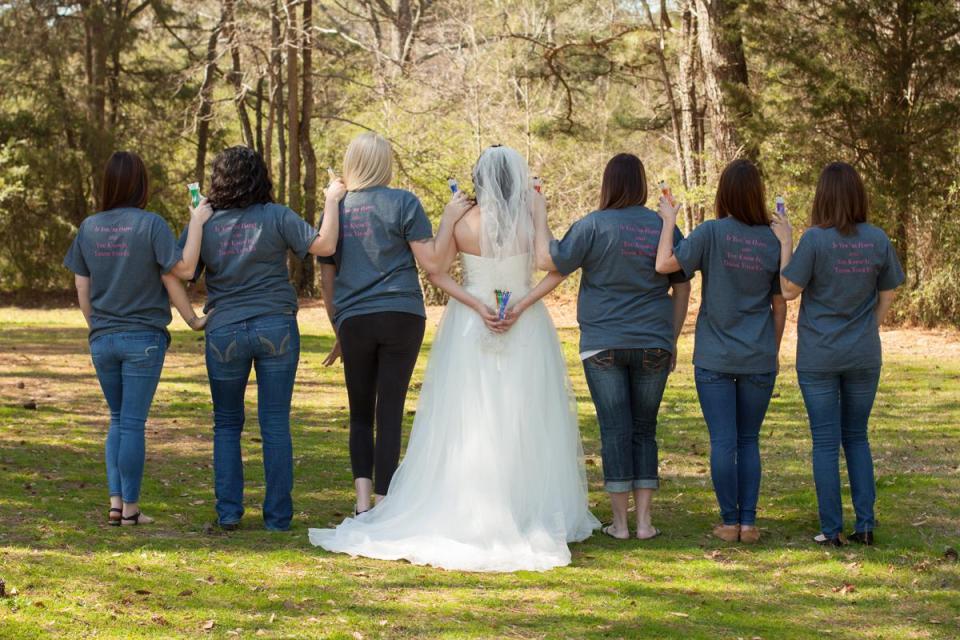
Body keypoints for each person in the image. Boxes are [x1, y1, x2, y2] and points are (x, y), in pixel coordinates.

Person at [309, 145, 599, 571]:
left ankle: (464, 500)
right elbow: (547, 261)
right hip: (524, 320)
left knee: (468, 414)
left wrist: (474, 303)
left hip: (470, 321)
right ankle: (523, 507)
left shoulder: (464, 221)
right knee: (525, 413)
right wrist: (536, 231)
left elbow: (436, 271)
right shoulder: (528, 217)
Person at [178, 145, 344, 532]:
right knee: (274, 423)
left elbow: (180, 270)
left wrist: (190, 318)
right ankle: (278, 518)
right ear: (260, 177)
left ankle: (230, 512)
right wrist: (332, 200)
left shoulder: (204, 222)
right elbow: (325, 246)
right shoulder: (276, 215)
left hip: (224, 330)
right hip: (275, 327)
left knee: (226, 424)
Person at [533, 153, 691, 541]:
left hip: (602, 342)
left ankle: (619, 525)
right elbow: (683, 285)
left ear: (608, 184)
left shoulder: (591, 225)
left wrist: (539, 213)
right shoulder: (663, 226)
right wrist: (671, 337)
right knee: (644, 429)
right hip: (653, 340)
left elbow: (547, 259)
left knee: (615, 429)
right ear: (642, 184)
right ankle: (644, 524)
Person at [317, 132, 469, 516]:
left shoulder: (335, 207)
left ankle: (363, 502)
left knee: (360, 411)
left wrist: (339, 326)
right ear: (386, 164)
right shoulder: (404, 202)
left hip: (354, 318)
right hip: (402, 314)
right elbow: (433, 263)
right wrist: (450, 217)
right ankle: (385, 501)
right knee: (390, 409)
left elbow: (327, 279)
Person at [64, 150, 211, 526]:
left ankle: (116, 503)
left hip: (102, 340)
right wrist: (196, 222)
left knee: (117, 419)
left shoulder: (89, 227)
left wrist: (97, 325)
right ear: (141, 184)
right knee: (131, 423)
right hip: (143, 339)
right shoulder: (151, 225)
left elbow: (83, 287)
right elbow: (184, 270)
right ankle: (130, 508)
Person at [772, 162, 905, 547]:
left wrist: (785, 242)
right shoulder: (877, 239)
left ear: (823, 197)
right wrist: (870, 327)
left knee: (826, 443)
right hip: (864, 353)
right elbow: (889, 293)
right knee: (857, 438)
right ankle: (865, 525)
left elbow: (789, 290)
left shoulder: (815, 240)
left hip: (820, 356)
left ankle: (831, 530)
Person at [654, 159, 786, 543]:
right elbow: (780, 306)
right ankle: (749, 523)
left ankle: (729, 523)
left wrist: (668, 220)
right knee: (748, 441)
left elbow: (664, 263)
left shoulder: (711, 233)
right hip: (758, 356)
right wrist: (771, 351)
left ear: (723, 193)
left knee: (724, 441)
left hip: (714, 356)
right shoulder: (772, 240)